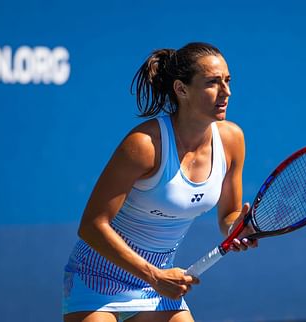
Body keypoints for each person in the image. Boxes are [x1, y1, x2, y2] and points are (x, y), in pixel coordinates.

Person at [63, 42, 257, 322]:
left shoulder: (232, 141)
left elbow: (229, 215)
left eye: (227, 81)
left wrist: (237, 227)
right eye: (212, 83)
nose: (226, 92)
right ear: (181, 89)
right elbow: (92, 226)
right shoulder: (143, 145)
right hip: (97, 277)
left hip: (158, 284)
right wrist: (153, 275)